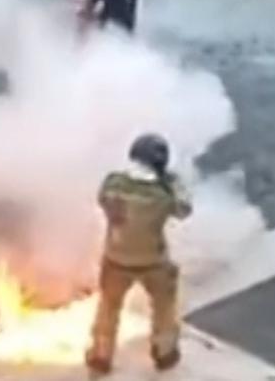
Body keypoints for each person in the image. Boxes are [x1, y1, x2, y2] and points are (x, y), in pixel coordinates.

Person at [85, 133, 192, 375]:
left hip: (115, 258)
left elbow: (103, 200)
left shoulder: (112, 184)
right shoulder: (162, 196)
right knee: (164, 306)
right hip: (153, 260)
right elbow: (184, 210)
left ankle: (101, 355)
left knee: (108, 308)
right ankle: (165, 353)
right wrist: (174, 183)